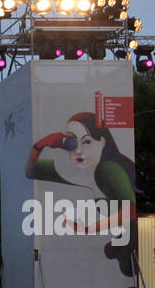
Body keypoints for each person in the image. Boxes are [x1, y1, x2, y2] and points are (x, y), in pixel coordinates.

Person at [25, 111, 138, 276]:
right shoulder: (76, 171)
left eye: (87, 142)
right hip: (123, 239)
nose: (78, 150)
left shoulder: (108, 169)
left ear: (103, 142)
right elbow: (30, 171)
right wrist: (42, 144)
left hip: (136, 239)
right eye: (71, 143)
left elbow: (132, 210)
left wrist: (87, 229)